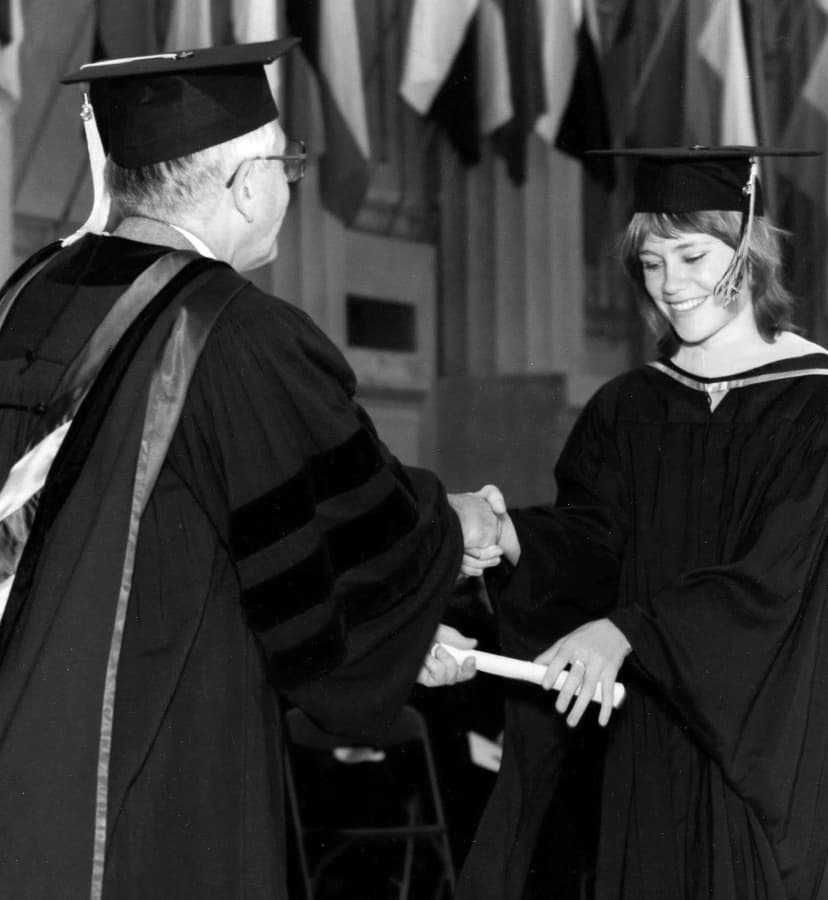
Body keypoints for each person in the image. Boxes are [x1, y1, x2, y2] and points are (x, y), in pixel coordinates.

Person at [0, 40, 496, 899]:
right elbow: (338, 546)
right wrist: (451, 533)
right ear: (244, 183)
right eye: (288, 164)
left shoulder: (28, 294)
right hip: (149, 773)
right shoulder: (230, 331)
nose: (290, 185)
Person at [457, 147, 828, 899]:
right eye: (652, 264)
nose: (671, 285)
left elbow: (777, 578)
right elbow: (595, 542)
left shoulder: (815, 404)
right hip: (645, 731)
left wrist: (630, 631)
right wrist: (512, 538)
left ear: (748, 249)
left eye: (691, 255)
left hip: (770, 735)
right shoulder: (629, 407)